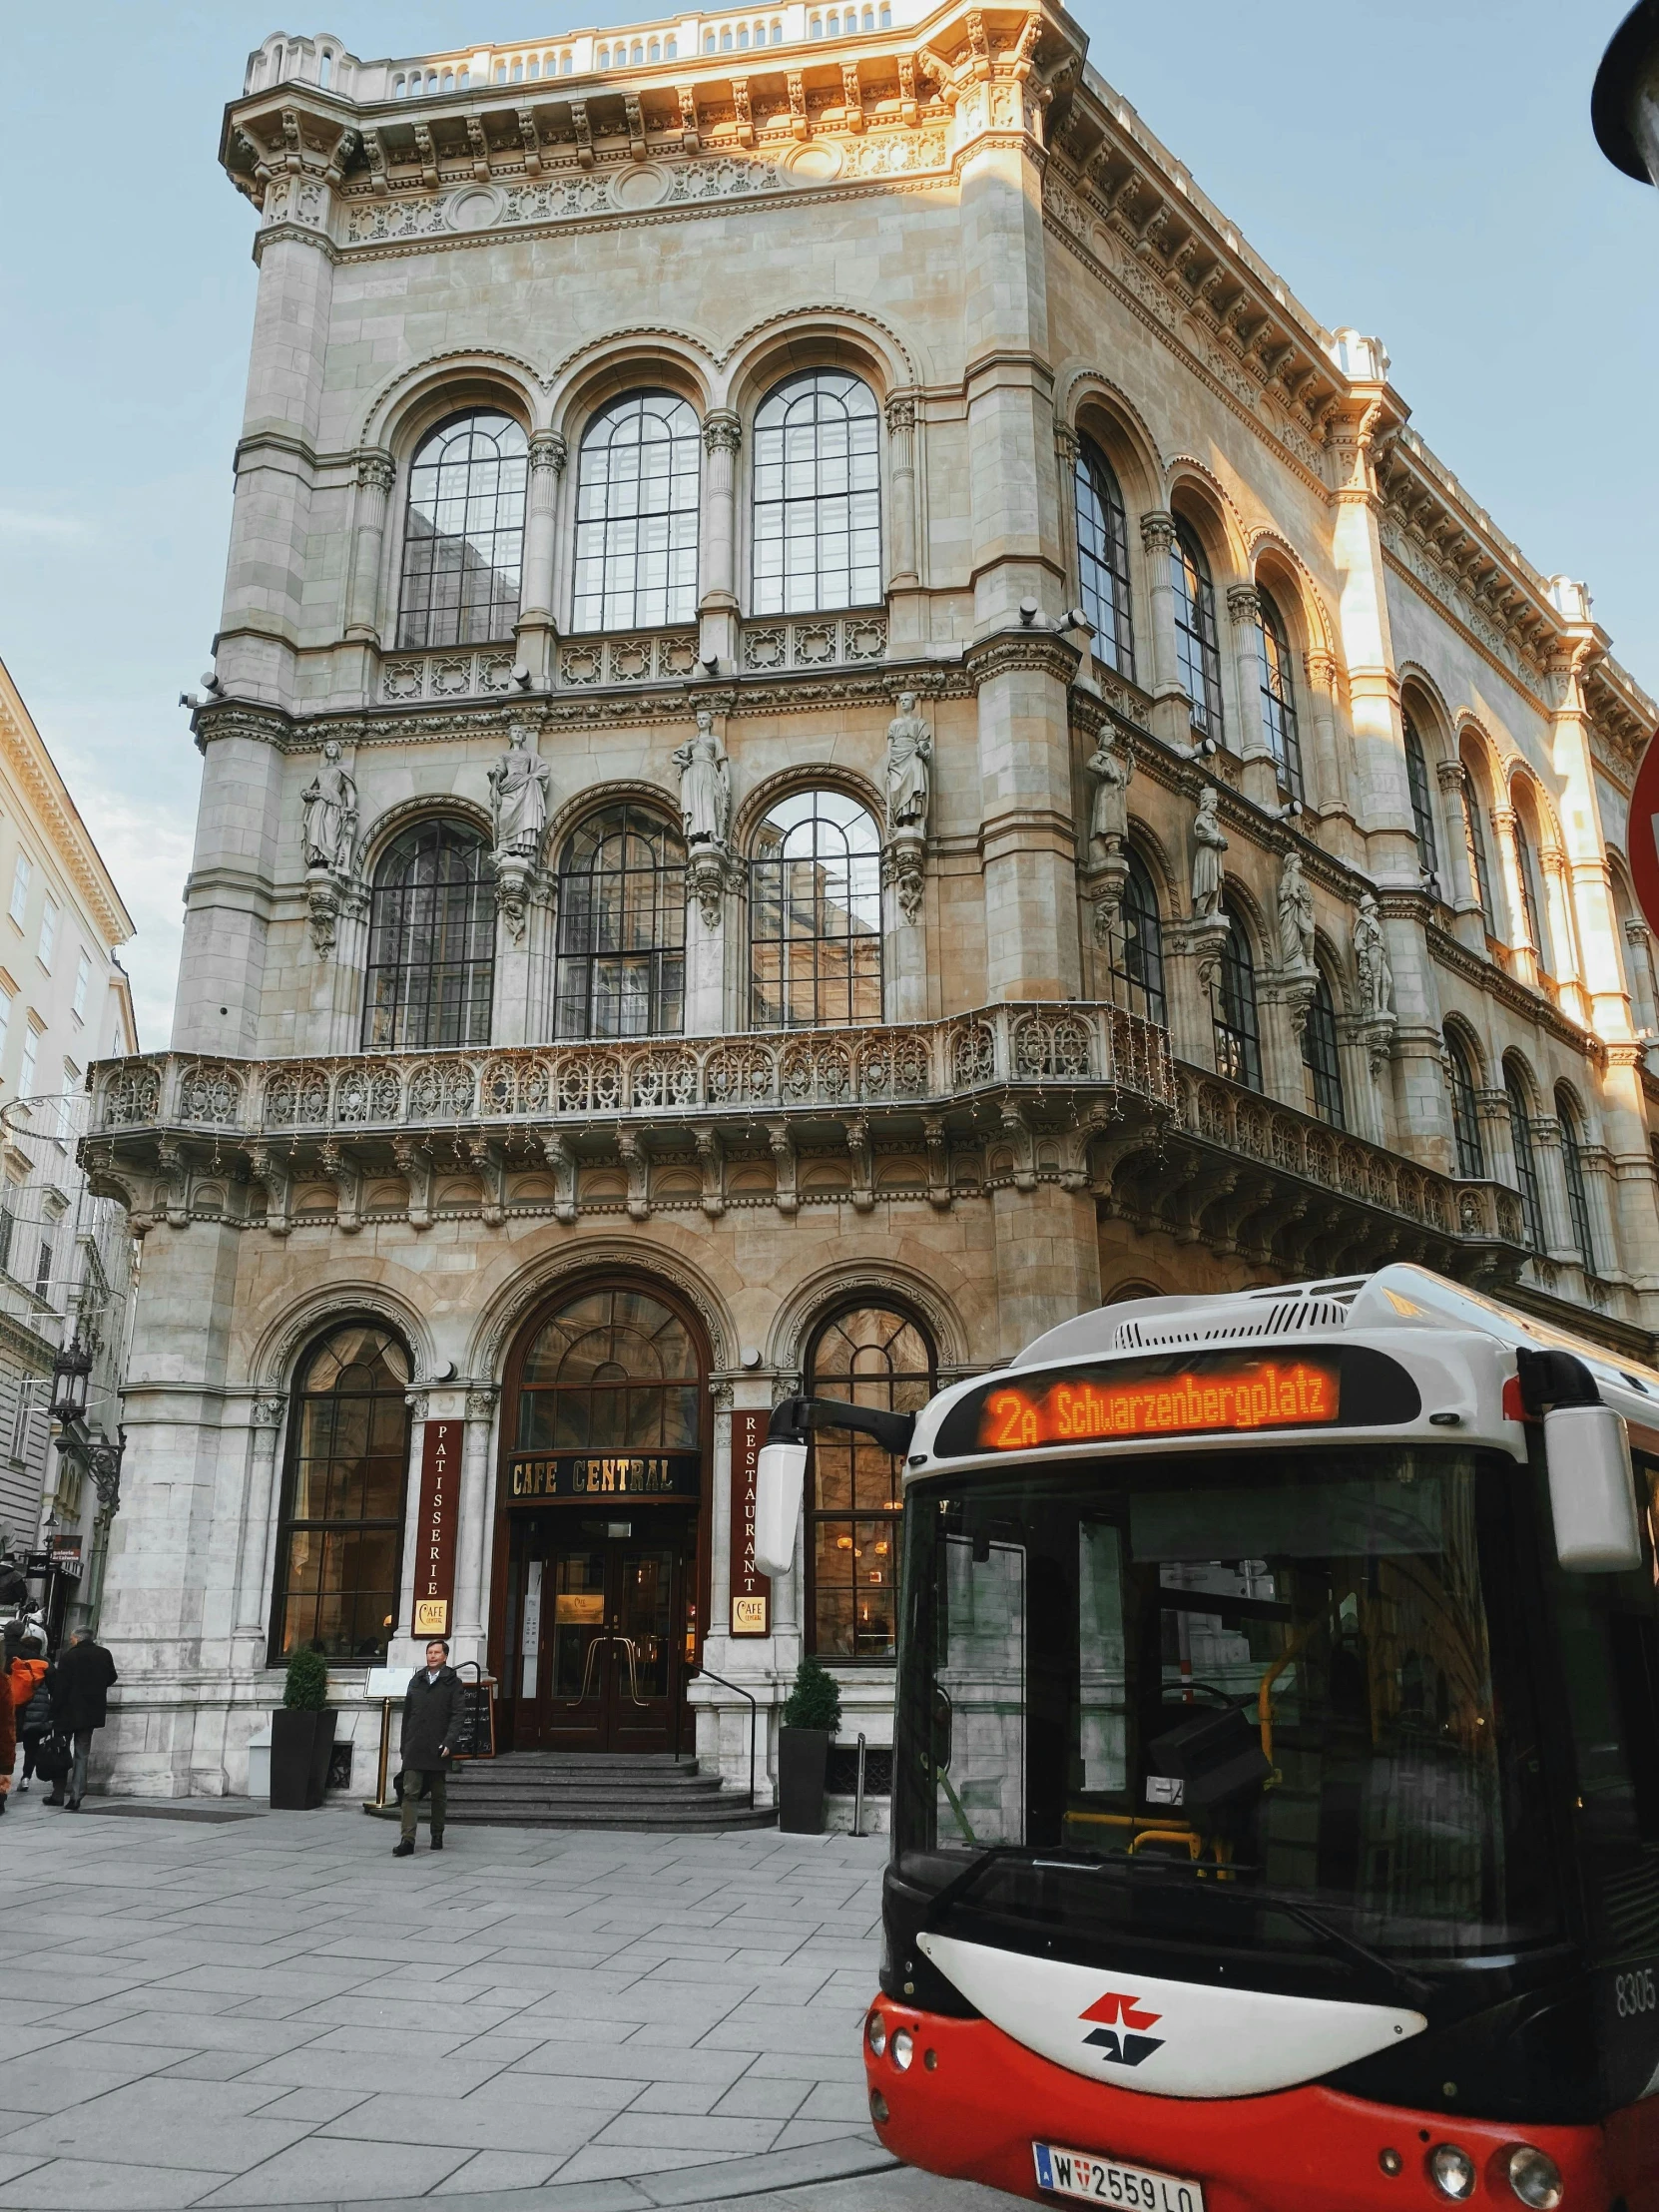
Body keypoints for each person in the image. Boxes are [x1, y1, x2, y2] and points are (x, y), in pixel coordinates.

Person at [394, 1637, 460, 1857]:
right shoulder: (417, 1680)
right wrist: (404, 1744)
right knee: (410, 1792)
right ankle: (407, 1840)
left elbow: (458, 1715)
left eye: (436, 1653)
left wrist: (450, 1741)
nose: (432, 1656)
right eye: (429, 1652)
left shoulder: (453, 1682)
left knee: (438, 1793)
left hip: (439, 1745)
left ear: (445, 1656)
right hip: (415, 1745)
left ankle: (437, 1833)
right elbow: (407, 1715)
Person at [51, 1623, 118, 1811]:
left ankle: (57, 1793)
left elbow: (60, 1688)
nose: (70, 1640)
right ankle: (76, 1795)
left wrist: (53, 1711)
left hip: (67, 1712)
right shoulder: (104, 1654)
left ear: (77, 1638)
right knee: (82, 1753)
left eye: (72, 1637)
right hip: (90, 1711)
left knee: (62, 1751)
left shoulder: (69, 1656)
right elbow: (112, 1677)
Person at [7, 1633, 48, 1792]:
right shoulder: (46, 1664)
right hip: (38, 1713)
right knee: (31, 1748)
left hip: (17, 1709)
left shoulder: (15, 1663)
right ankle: (25, 1778)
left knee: (9, 1746)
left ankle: (6, 1776)